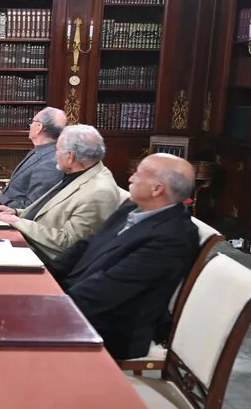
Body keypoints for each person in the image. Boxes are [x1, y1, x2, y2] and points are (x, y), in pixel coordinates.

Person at [47, 154, 199, 360]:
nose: (130, 178)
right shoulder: (132, 206)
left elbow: (108, 290)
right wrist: (46, 276)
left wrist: (51, 305)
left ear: (157, 189)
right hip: (76, 300)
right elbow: (87, 245)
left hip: (109, 326)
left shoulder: (172, 237)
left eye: (138, 174)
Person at [0, 124, 121, 259]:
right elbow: (50, 212)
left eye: (57, 150)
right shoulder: (78, 173)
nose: (54, 155)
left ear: (70, 157)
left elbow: (69, 243)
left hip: (44, 258)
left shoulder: (98, 192)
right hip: (31, 241)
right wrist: (16, 212)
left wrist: (17, 222)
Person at [0, 107, 66, 208]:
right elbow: (19, 190)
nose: (30, 125)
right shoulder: (40, 150)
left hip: (11, 214)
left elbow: (32, 208)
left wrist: (0, 197)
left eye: (32, 122)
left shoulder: (50, 163)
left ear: (39, 128)